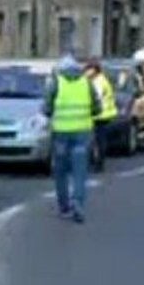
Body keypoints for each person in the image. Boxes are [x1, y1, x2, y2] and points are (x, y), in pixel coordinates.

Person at [43, 54, 101, 223]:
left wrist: (50, 114)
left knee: (60, 171)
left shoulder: (56, 82)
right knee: (80, 171)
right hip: (83, 133)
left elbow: (47, 108)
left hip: (61, 132)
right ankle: (78, 202)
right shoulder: (86, 82)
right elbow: (97, 108)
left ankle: (64, 206)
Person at [85, 58, 117, 172]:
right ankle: (97, 161)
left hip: (100, 114)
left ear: (95, 70)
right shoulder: (99, 80)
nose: (86, 72)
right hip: (100, 114)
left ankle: (99, 163)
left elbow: (95, 98)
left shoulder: (99, 81)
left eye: (88, 69)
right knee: (97, 140)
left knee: (99, 140)